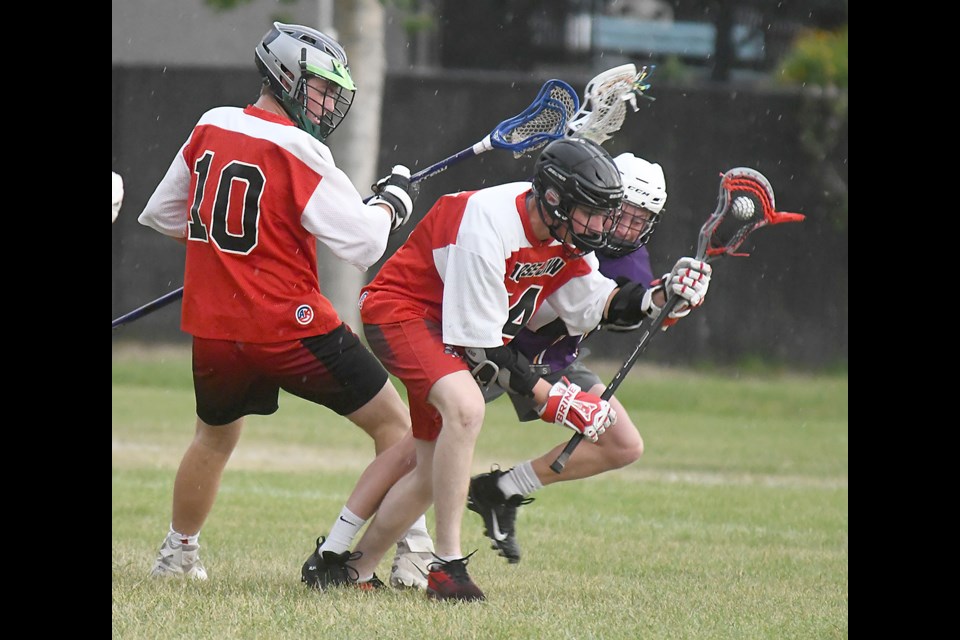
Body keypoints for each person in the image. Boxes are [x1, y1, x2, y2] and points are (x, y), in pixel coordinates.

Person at [301, 136, 710, 601]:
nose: (602, 226)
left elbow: (599, 304)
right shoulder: (489, 224)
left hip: (453, 324)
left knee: (427, 463)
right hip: (406, 311)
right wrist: (558, 402)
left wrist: (661, 296)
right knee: (466, 408)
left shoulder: (565, 233)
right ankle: (446, 565)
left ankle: (344, 565)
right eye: (593, 213)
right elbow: (483, 350)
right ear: (554, 200)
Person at [136, 21, 433, 588]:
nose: (327, 103)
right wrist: (393, 202)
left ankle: (176, 555)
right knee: (399, 426)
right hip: (290, 328)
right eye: (321, 88)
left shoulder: (211, 123)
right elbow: (365, 243)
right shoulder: (303, 149)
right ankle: (410, 552)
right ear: (288, 78)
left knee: (214, 437)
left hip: (219, 329)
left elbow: (165, 215)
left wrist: (229, 262)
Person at [467, 152, 708, 565]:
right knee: (432, 442)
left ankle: (500, 490)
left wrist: (672, 298)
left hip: (553, 357)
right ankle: (409, 540)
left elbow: (630, 306)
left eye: (641, 218)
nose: (629, 228)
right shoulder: (562, 227)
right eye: (625, 213)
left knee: (623, 444)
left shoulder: (629, 259)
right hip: (495, 348)